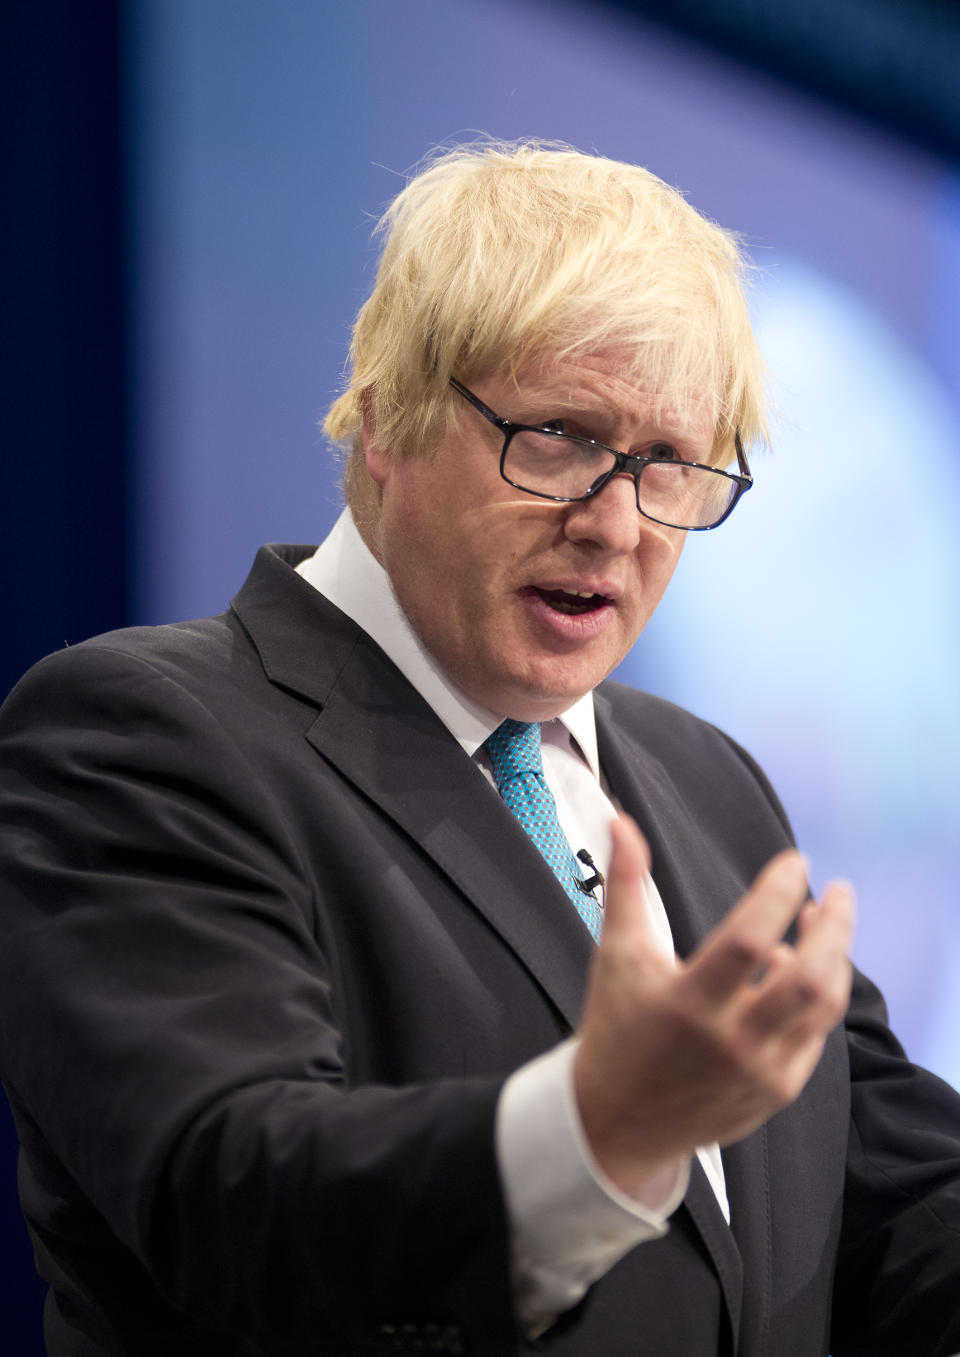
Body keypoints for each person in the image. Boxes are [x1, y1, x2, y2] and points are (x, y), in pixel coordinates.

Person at [1, 140, 958, 1357]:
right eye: (558, 434)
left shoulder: (709, 785)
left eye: (668, 464)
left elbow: (891, 1191)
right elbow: (236, 1196)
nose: (615, 523)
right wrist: (598, 1133)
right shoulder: (139, 735)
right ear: (387, 414)